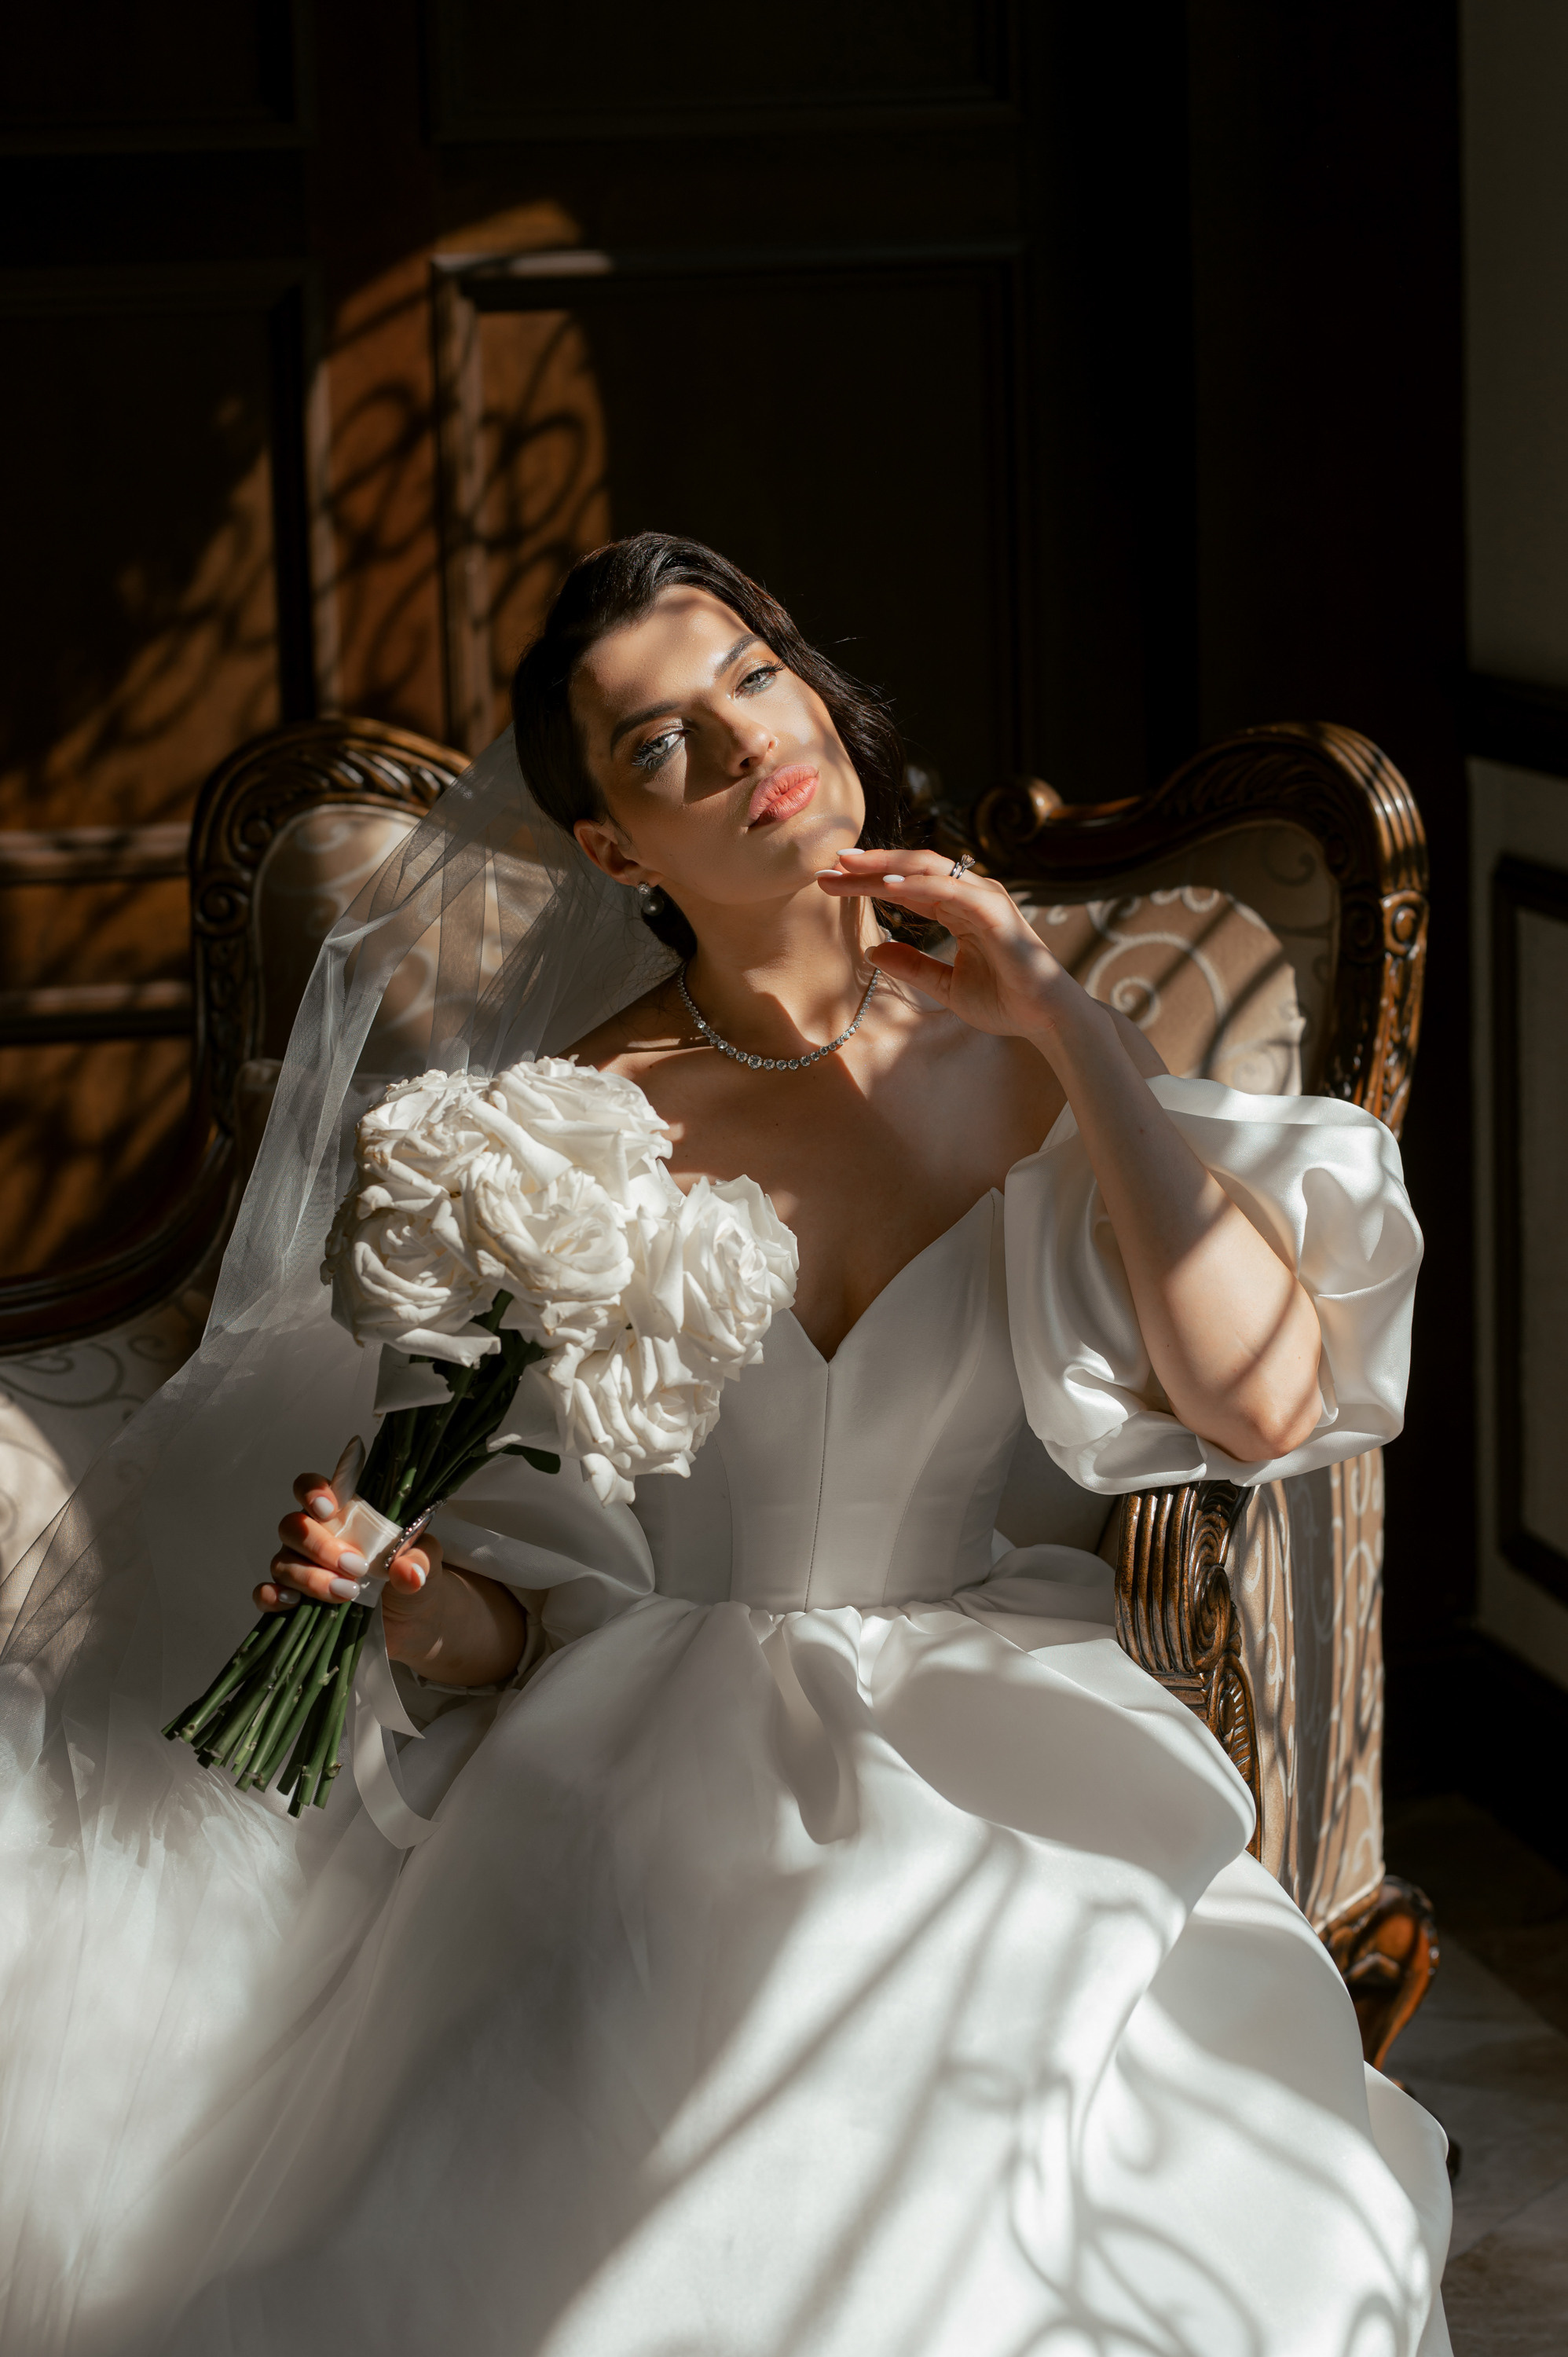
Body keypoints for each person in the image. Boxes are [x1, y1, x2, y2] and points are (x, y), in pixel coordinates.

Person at [0, 535, 1449, 2355]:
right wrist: (403, 1596)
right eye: (659, 743)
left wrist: (1067, 1022)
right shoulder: (555, 1142)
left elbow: (1261, 1404)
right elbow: (510, 1627)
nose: (743, 736)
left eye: (754, 675)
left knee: (999, 2050)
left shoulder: (1039, 1060)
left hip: (998, 1721)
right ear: (611, 850)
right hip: (646, 1739)